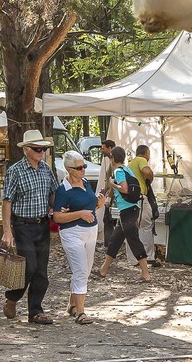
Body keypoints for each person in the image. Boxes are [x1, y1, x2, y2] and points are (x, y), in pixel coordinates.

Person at [2, 130, 59, 324]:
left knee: (41, 271)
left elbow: (53, 193)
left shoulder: (46, 169)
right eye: (37, 149)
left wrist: (60, 207)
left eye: (43, 148)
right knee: (29, 267)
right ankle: (12, 297)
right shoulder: (15, 171)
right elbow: (7, 201)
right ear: (26, 150)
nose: (41, 152)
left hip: (42, 224)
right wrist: (7, 231)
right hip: (23, 225)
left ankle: (35, 311)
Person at [52, 149, 103, 324]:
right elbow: (57, 217)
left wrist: (98, 204)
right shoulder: (63, 190)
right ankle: (81, 313)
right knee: (80, 270)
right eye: (79, 167)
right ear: (69, 169)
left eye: (84, 166)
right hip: (72, 232)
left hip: (90, 230)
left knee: (86, 271)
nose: (83, 170)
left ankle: (72, 304)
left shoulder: (86, 183)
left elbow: (88, 207)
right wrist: (80, 214)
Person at [96, 146, 151, 282]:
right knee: (115, 240)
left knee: (133, 240)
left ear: (112, 158)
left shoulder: (118, 171)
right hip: (131, 208)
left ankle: (146, 274)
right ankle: (103, 270)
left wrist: (111, 184)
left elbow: (125, 189)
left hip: (127, 210)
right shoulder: (128, 170)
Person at [98, 139, 117, 247]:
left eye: (103, 148)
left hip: (113, 196)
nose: (102, 151)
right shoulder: (111, 162)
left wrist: (109, 198)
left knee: (108, 220)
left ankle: (109, 245)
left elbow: (114, 182)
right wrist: (104, 190)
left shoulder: (114, 164)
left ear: (110, 148)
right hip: (109, 194)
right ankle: (111, 244)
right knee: (109, 220)